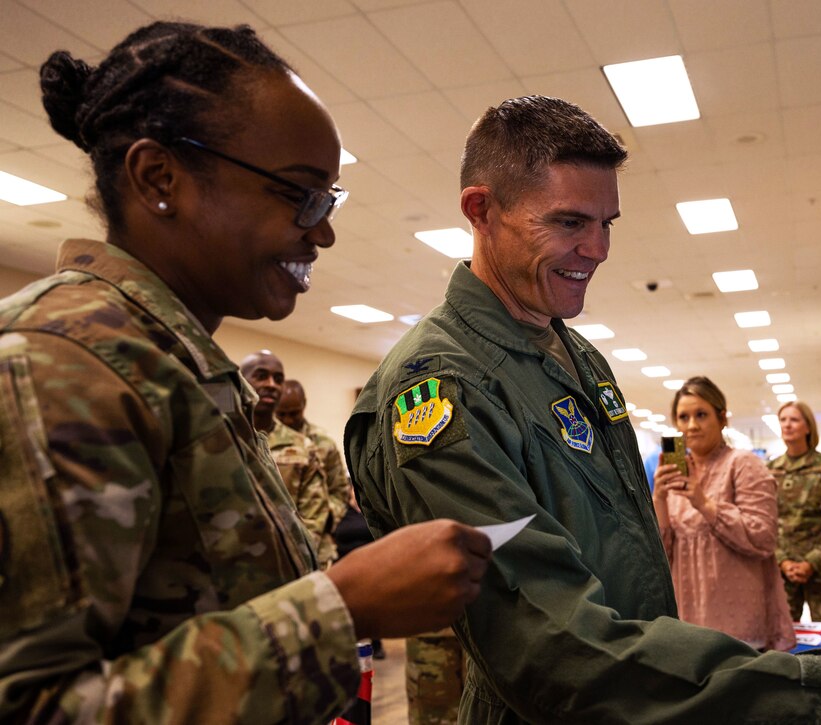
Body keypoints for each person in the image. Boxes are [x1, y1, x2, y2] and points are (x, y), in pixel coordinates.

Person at [346, 95, 821, 724]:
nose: (599, 249)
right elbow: (549, 651)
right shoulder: (442, 390)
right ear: (481, 211)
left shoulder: (576, 355)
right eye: (570, 223)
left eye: (607, 223)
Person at [0, 21, 491, 724]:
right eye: (299, 193)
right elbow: (35, 707)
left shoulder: (176, 363)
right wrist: (342, 606)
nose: (321, 231)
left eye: (328, 200)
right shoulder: (60, 361)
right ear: (158, 178)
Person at [652, 376, 795, 651]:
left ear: (722, 418)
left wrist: (703, 502)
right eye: (683, 417)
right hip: (690, 622)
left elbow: (763, 537)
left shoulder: (744, 465)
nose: (692, 425)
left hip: (740, 626)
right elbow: (661, 554)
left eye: (701, 415)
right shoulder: (675, 476)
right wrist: (658, 498)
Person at [241, 350, 336, 567]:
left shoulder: (303, 447)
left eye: (278, 379)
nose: (272, 384)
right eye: (261, 375)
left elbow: (313, 519)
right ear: (242, 380)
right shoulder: (221, 437)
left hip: (295, 563)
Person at [769, 400, 821, 622]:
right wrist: (783, 560)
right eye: (783, 420)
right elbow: (765, 521)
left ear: (808, 427)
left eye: (794, 419)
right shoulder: (772, 469)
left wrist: (812, 562)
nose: (787, 425)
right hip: (784, 571)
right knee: (783, 640)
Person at [277, 378, 357, 523]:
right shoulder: (264, 439)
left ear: (304, 405)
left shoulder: (323, 443)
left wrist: (325, 518)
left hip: (317, 528)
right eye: (281, 414)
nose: (288, 420)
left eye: (294, 413)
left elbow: (339, 490)